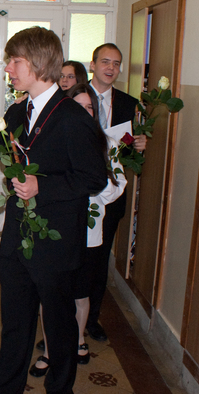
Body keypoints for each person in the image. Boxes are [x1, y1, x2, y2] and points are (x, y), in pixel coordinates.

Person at [0, 27, 107, 394]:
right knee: (15, 322)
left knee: (59, 325)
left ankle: (60, 388)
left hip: (56, 241)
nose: (8, 68)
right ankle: (6, 388)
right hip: (18, 238)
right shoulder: (18, 111)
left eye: (15, 61)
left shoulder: (72, 117)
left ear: (37, 63)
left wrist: (42, 186)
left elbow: (94, 177)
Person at [29, 83, 126, 376]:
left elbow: (116, 187)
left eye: (89, 108)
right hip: (60, 227)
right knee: (53, 294)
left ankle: (78, 340)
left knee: (80, 293)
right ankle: (50, 349)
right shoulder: (59, 137)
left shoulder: (106, 143)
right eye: (78, 106)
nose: (84, 112)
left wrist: (94, 182)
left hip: (90, 231)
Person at [86, 43, 145, 342]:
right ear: (93, 64)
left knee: (99, 262)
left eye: (117, 63)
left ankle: (91, 320)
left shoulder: (128, 104)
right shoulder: (73, 97)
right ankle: (62, 324)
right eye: (105, 61)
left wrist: (139, 145)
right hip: (78, 195)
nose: (111, 68)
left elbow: (128, 150)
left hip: (109, 196)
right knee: (72, 261)